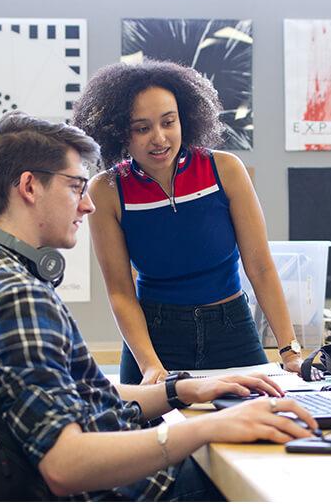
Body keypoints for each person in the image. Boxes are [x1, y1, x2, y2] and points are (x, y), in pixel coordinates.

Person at [0, 112, 318, 500]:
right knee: (278, 474)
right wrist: (207, 428)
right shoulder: (19, 298)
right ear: (29, 187)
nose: (87, 205)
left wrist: (185, 389)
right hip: (135, 492)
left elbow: (75, 393)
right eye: (76, 187)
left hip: (126, 471)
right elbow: (64, 464)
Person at [72, 60, 309, 385]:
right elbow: (121, 292)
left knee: (262, 423)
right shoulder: (107, 189)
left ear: (185, 118)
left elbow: (261, 267)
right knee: (148, 433)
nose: (159, 138)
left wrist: (290, 350)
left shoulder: (225, 170)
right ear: (118, 132)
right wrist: (151, 366)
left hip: (232, 329)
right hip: (153, 338)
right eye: (142, 128)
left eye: (169, 122)